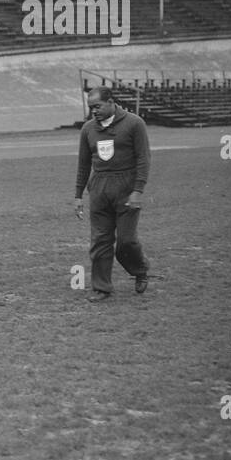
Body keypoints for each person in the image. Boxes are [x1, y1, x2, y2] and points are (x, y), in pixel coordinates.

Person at [74, 86, 152, 302]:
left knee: (126, 242)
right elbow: (83, 164)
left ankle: (140, 269)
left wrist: (138, 190)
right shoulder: (88, 129)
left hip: (126, 188)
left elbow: (144, 159)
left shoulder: (134, 124)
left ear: (111, 102)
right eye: (91, 108)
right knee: (100, 240)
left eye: (98, 106)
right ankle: (102, 288)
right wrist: (78, 195)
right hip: (99, 188)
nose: (94, 112)